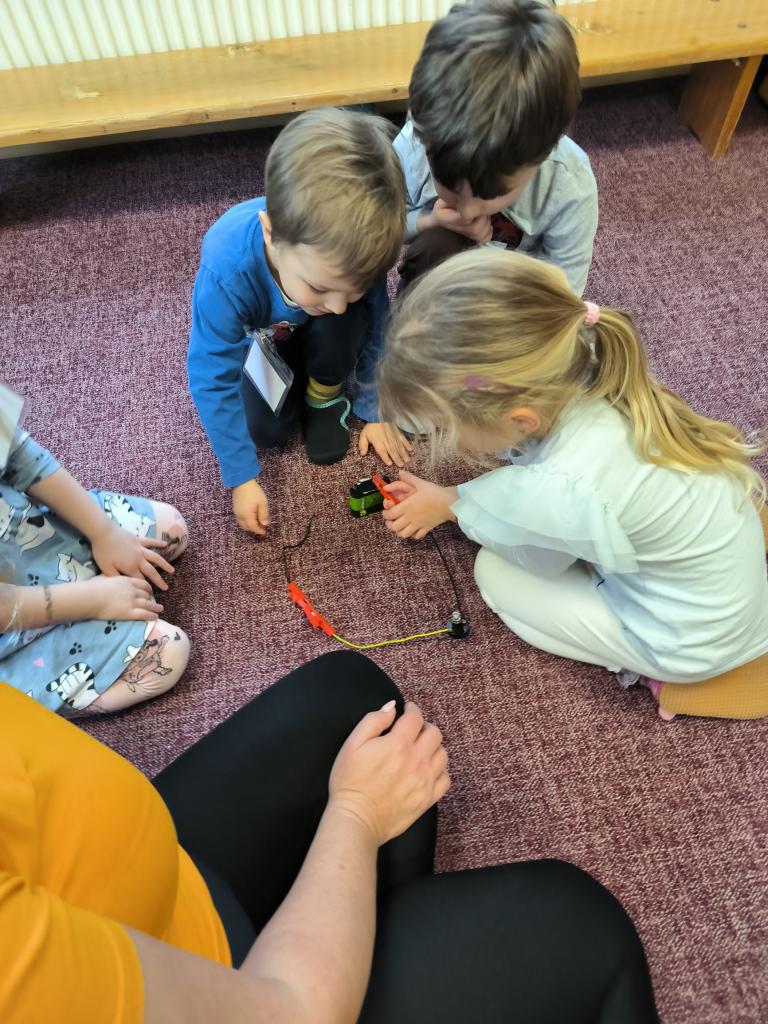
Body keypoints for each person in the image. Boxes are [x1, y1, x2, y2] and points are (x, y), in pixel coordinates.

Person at [0, 649, 659, 1022]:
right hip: (259, 1002)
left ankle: (372, 934)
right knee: (579, 928)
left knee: (354, 699)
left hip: (147, 895)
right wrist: (356, 815)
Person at [376, 248, 768, 721]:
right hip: (718, 576)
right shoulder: (584, 356)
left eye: (445, 427)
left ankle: (660, 672)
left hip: (691, 642)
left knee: (495, 575)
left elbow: (540, 557)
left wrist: (452, 506)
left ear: (521, 419)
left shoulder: (565, 484)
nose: (444, 438)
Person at [188, 107, 413, 539]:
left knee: (346, 321)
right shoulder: (226, 271)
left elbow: (379, 327)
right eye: (320, 286)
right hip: (265, 341)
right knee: (265, 432)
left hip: (318, 335)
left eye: (352, 288)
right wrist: (241, 477)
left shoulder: (352, 254)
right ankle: (299, 377)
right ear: (271, 234)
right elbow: (210, 376)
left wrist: (374, 408)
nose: (339, 303)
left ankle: (324, 396)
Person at [0, 386, 189, 714]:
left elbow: (20, 455)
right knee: (169, 652)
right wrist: (95, 599)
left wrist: (104, 533)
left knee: (173, 530)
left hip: (26, 537)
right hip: (10, 632)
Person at [394, 0, 598, 297]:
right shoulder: (416, 141)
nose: (467, 211)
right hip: (440, 277)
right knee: (434, 246)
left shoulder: (570, 184)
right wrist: (430, 220)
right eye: (448, 184)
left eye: (490, 194)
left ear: (543, 154)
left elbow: (564, 289)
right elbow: (382, 224)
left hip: (515, 295)